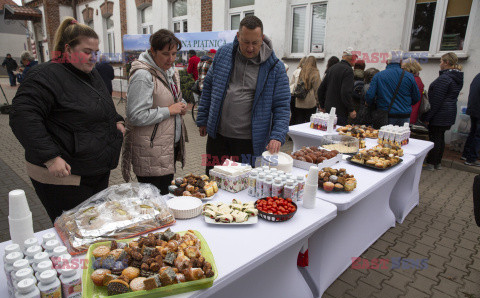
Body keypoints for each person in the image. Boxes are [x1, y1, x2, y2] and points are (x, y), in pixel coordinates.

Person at [9, 17, 125, 222]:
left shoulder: (91, 74)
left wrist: (117, 121)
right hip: (65, 177)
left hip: (95, 169)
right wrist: (51, 157)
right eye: (87, 52)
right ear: (68, 50)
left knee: (95, 225)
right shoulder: (43, 76)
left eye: (96, 53)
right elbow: (22, 117)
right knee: (74, 230)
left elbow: (104, 105)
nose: (93, 58)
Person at [196, 15, 290, 173]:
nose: (250, 48)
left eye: (255, 43)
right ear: (238, 36)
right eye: (246, 42)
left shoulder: (275, 67)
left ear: (263, 38)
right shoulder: (224, 54)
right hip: (218, 138)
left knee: (243, 187)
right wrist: (203, 118)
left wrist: (277, 135)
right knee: (213, 181)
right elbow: (209, 87)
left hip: (249, 142)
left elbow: (282, 105)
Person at [122, 29, 188, 194]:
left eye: (174, 53)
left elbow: (172, 99)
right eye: (166, 54)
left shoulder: (168, 71)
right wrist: (169, 110)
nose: (171, 59)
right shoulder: (143, 76)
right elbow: (135, 116)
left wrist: (182, 104)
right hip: (151, 153)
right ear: (153, 51)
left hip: (165, 149)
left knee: (164, 200)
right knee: (155, 205)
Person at [423, 52, 464, 171]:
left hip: (440, 113)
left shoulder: (445, 78)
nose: (440, 64)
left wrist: (427, 117)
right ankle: (438, 163)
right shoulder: (456, 77)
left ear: (446, 63)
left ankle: (431, 163)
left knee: (435, 138)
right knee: (440, 137)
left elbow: (436, 101)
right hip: (449, 112)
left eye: (441, 61)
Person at [365, 50, 420, 126]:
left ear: (387, 61)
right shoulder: (409, 76)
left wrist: (369, 103)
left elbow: (370, 96)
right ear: (401, 62)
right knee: (402, 137)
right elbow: (416, 97)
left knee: (384, 137)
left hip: (385, 115)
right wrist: (405, 104)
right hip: (404, 116)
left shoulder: (378, 76)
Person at [317, 48, 356, 125]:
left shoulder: (332, 68)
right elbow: (345, 92)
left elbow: (321, 89)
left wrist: (322, 106)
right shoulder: (348, 71)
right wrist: (351, 109)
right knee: (337, 135)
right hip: (340, 112)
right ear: (351, 58)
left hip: (328, 110)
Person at [292, 56, 321, 124]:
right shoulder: (315, 72)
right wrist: (318, 102)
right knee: (309, 122)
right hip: (310, 102)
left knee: (299, 120)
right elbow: (317, 88)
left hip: (299, 99)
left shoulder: (302, 71)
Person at [463, 73, 480, 166]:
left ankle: (465, 154)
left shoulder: (477, 76)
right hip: (478, 110)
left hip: (473, 109)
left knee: (473, 132)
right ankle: (471, 158)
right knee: (478, 136)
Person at [401, 58, 424, 125]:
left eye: (403, 68)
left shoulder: (412, 80)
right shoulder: (417, 79)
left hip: (408, 114)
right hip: (412, 113)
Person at [289, 56, 306, 125]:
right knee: (300, 116)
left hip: (293, 95)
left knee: (294, 115)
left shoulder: (296, 71)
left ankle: (290, 133)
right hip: (300, 96)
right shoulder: (306, 72)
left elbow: (291, 84)